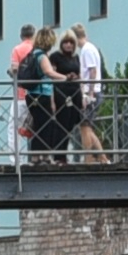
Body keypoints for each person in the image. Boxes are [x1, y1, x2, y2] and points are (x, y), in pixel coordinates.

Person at [19, 27, 64, 165]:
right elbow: (48, 73)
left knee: (41, 125)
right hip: (40, 95)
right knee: (45, 126)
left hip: (34, 95)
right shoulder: (42, 56)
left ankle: (39, 156)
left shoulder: (33, 53)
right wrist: (65, 78)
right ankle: (40, 157)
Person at [71, 23, 108, 162]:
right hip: (92, 92)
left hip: (90, 93)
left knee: (84, 126)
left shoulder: (87, 50)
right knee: (87, 126)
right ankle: (102, 157)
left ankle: (89, 158)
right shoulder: (90, 48)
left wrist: (90, 92)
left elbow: (92, 71)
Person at [48, 34, 84, 162]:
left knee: (71, 124)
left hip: (75, 93)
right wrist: (65, 77)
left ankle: (64, 154)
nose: (68, 45)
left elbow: (80, 75)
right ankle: (59, 155)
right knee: (61, 123)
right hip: (61, 93)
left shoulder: (76, 58)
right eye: (66, 42)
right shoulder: (55, 57)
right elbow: (51, 76)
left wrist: (82, 93)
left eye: (71, 42)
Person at [6, 23, 37, 160]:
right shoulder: (37, 50)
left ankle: (15, 159)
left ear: (21, 36)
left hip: (20, 94)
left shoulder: (17, 50)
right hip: (36, 94)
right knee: (36, 126)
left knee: (14, 127)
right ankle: (37, 157)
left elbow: (14, 70)